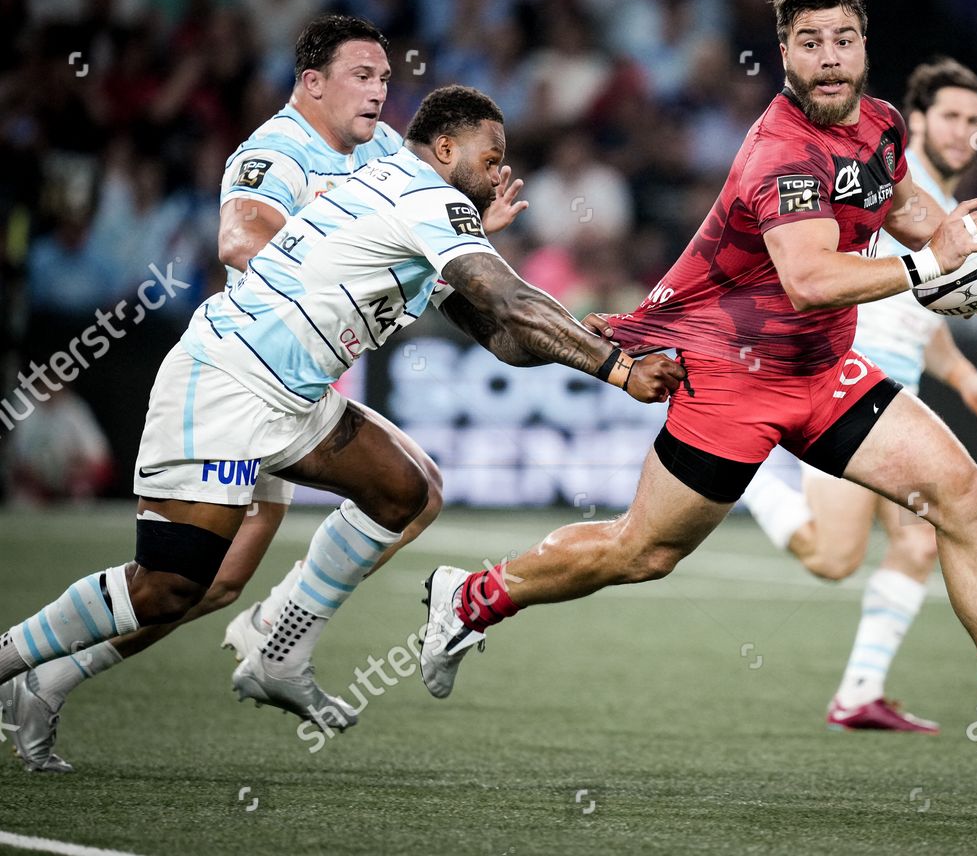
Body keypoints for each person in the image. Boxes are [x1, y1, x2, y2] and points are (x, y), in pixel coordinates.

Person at [420, 0, 977, 763]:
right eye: (809, 42)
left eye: (844, 40)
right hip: (726, 376)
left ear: (865, 47)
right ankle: (471, 597)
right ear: (784, 54)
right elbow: (812, 278)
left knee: (964, 492)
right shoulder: (781, 152)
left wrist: (960, 249)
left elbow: (901, 206)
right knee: (643, 553)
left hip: (821, 373)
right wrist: (934, 274)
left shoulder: (884, 124)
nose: (829, 56)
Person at [0, 86, 674, 775]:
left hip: (293, 393)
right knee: (168, 586)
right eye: (489, 155)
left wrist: (583, 340)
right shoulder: (423, 197)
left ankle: (276, 644)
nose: (499, 171)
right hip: (232, 383)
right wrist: (617, 369)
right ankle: (15, 666)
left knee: (406, 489)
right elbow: (512, 300)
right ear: (445, 148)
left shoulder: (412, 199)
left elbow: (503, 336)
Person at [739, 56, 977, 734]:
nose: (963, 132)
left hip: (901, 388)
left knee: (923, 541)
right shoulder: (889, 187)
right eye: (950, 116)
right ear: (917, 120)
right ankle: (747, 477)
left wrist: (966, 378)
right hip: (845, 381)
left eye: (974, 122)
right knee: (836, 558)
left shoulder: (945, 216)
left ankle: (859, 692)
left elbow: (923, 317)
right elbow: (820, 271)